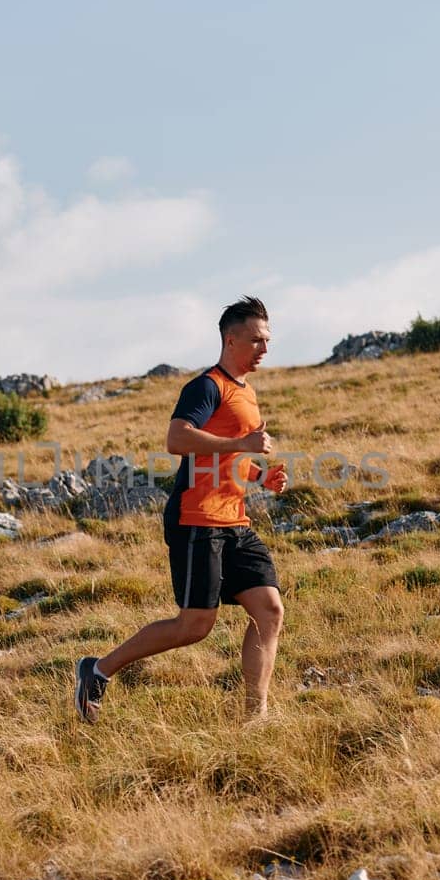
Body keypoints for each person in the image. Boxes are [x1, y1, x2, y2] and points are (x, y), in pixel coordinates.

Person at [74, 296, 288, 723]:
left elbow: (225, 459)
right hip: (197, 520)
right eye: (256, 341)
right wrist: (241, 445)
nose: (264, 348)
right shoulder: (207, 386)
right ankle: (97, 670)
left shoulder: (247, 393)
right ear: (231, 339)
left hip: (235, 519)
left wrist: (260, 478)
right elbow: (178, 439)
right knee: (194, 626)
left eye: (267, 340)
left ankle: (255, 716)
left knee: (269, 610)